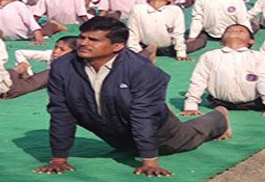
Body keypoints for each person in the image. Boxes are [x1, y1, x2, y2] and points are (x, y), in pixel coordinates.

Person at [34, 17, 230, 177]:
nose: (83, 43)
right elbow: (61, 111)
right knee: (127, 145)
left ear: (117, 46)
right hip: (112, 132)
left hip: (161, 132)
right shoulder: (63, 66)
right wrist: (59, 158)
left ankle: (219, 116)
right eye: (82, 37)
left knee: (192, 135)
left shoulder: (142, 71)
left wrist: (149, 161)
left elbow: (144, 116)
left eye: (93, 40)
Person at [183, 24, 265, 117]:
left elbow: (264, 82)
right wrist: (191, 106)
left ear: (251, 41)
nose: (236, 30)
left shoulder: (260, 57)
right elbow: (199, 80)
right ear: (221, 40)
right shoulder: (210, 56)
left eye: (241, 31)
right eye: (230, 30)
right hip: (220, 103)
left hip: (254, 103)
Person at [127, 0, 193, 62]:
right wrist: (138, 52)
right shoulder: (138, 9)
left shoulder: (175, 10)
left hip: (170, 48)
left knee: (199, 40)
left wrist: (181, 53)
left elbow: (178, 33)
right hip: (145, 47)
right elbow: (133, 32)